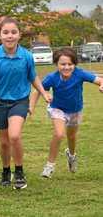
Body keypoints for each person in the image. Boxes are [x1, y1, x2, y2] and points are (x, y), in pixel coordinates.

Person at [0, 17, 51, 190]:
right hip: (0, 102)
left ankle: (19, 171)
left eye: (13, 32)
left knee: (15, 135)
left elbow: (32, 77)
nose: (10, 36)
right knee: (4, 142)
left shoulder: (26, 56)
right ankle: (5, 171)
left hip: (20, 101)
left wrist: (43, 92)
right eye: (5, 32)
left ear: (19, 35)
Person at [29, 47, 103, 178]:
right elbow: (37, 91)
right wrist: (31, 107)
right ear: (56, 64)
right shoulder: (52, 78)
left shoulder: (79, 74)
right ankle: (49, 166)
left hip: (75, 110)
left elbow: (99, 80)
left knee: (72, 137)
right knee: (59, 134)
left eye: (70, 64)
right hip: (57, 109)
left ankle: (71, 155)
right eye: (63, 64)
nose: (66, 67)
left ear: (74, 64)